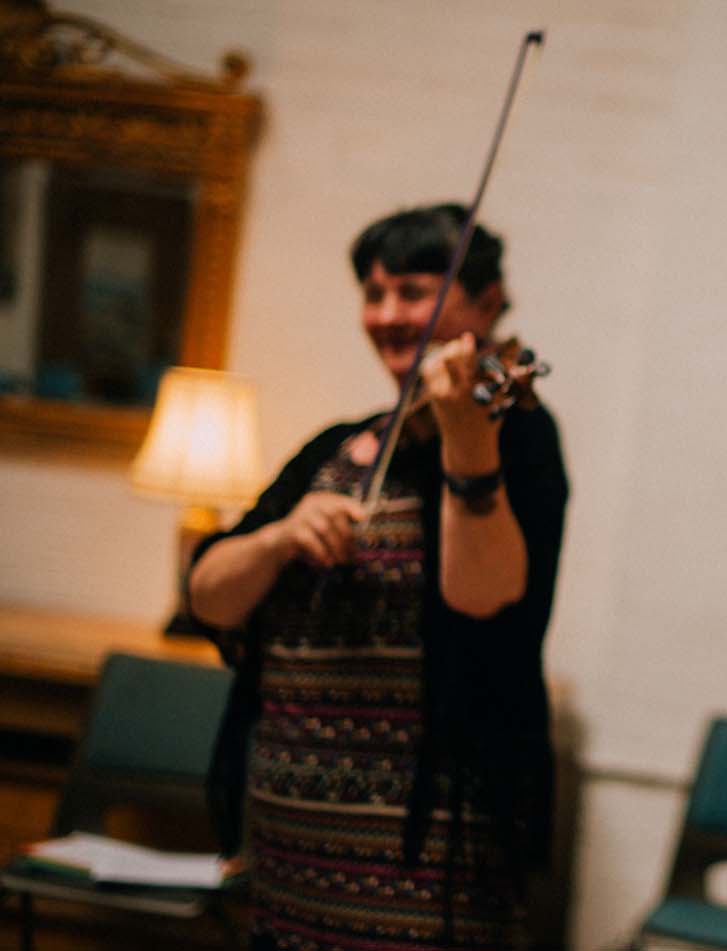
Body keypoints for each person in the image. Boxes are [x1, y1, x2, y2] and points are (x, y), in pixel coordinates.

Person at [186, 204, 568, 950]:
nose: (389, 314)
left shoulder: (513, 431)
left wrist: (466, 435)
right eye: (374, 292)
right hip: (290, 843)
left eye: (415, 290)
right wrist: (277, 539)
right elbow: (206, 591)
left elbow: (484, 598)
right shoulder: (334, 446)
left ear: (485, 304)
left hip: (429, 851)